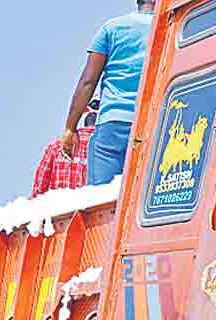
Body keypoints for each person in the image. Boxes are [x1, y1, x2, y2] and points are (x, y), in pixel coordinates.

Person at [61, 1, 154, 186]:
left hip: (113, 124)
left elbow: (88, 81)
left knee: (101, 195)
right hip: (153, 123)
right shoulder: (169, 26)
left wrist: (70, 128)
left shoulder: (112, 28)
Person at [33, 100, 99, 198]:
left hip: (60, 206)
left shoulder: (56, 148)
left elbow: (38, 192)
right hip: (96, 206)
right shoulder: (111, 148)